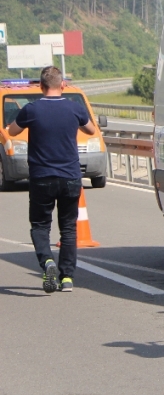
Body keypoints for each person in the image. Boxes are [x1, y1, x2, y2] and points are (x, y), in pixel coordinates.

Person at [6, 66, 96, 293]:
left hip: (41, 177)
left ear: (41, 86)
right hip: (70, 177)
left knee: (39, 225)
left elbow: (13, 131)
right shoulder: (74, 109)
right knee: (68, 228)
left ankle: (47, 262)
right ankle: (67, 279)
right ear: (63, 84)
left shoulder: (31, 110)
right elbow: (91, 130)